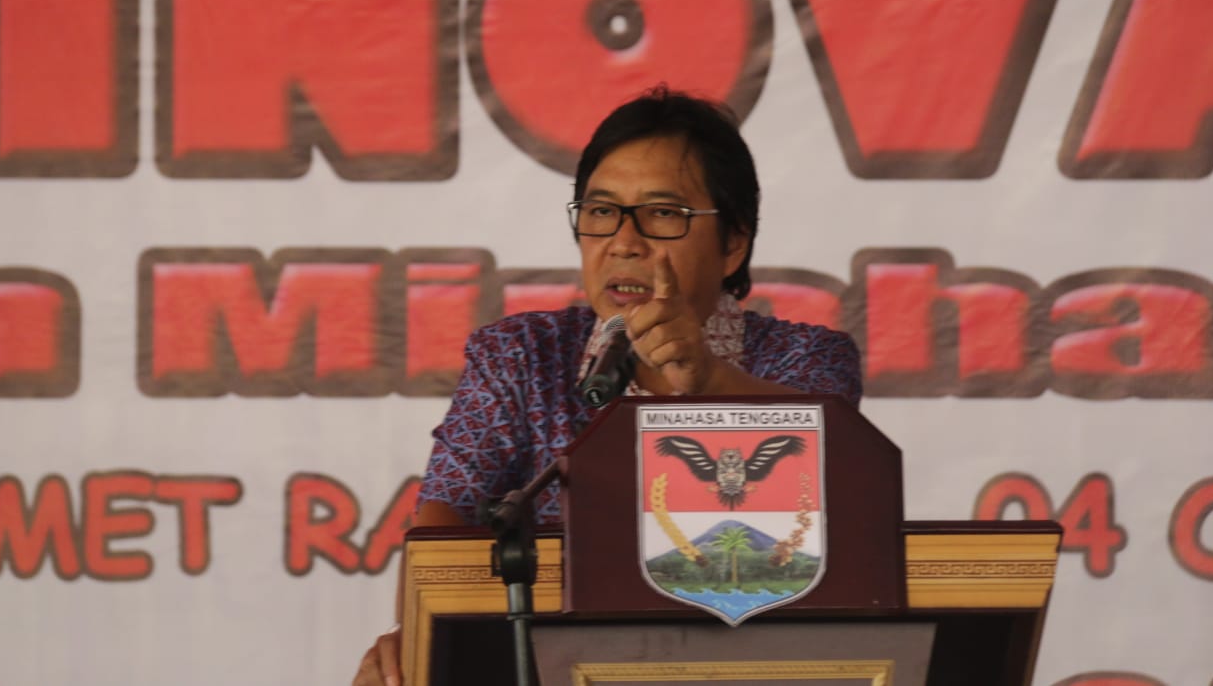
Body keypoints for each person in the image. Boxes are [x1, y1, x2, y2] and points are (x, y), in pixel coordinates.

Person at [352, 88, 862, 686]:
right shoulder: (521, 355)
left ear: (733, 244)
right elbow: (446, 515)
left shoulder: (807, 358)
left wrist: (708, 380)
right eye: (600, 212)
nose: (623, 241)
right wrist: (418, 636)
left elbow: (836, 467)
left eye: (662, 213)